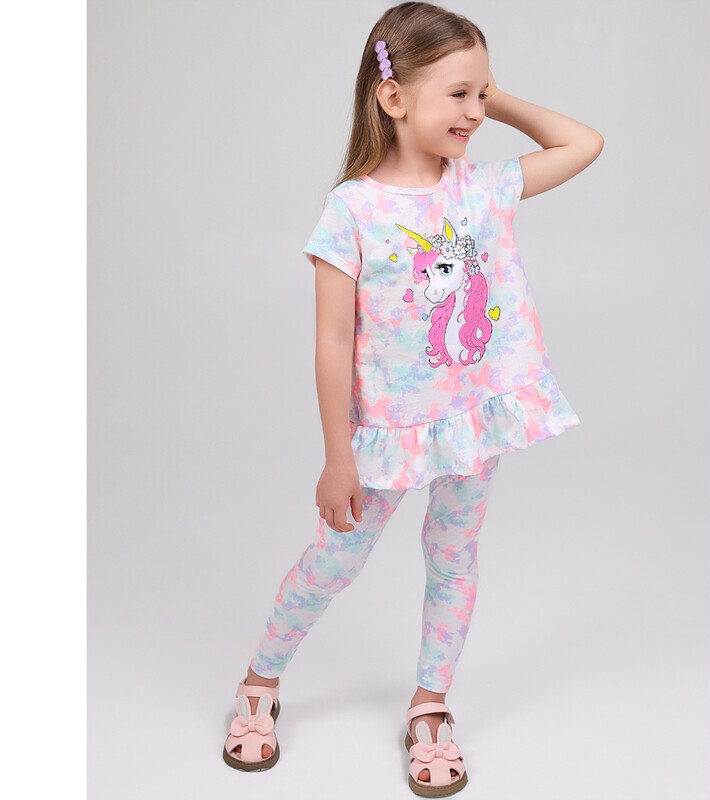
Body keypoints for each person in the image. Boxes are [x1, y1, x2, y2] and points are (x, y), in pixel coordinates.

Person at [222, 2, 603, 795]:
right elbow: (332, 341)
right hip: (388, 433)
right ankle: (260, 679)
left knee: (454, 558)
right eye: (458, 95)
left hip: (473, 417)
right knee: (334, 560)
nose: (476, 112)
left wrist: (490, 95)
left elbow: (583, 143)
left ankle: (430, 704)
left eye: (481, 95)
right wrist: (338, 457)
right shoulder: (353, 211)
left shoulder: (484, 188)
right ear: (393, 98)